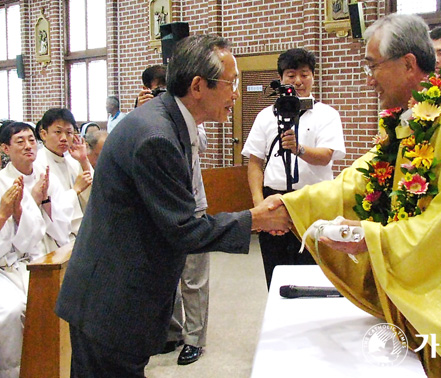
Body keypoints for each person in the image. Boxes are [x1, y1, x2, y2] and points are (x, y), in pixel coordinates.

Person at [275, 14, 441, 377]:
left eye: (373, 66)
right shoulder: (414, 117)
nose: (368, 79)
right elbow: (361, 180)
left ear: (408, 63)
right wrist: (290, 205)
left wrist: (373, 237)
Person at [55, 34, 291, 377]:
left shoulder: (166, 120)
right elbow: (182, 229)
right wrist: (256, 218)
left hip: (118, 295)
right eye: (231, 83)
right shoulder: (157, 137)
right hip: (111, 301)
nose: (236, 94)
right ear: (198, 86)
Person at [241, 48, 346, 287]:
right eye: (291, 75)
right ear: (281, 79)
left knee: (314, 270)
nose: (298, 81)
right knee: (276, 268)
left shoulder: (327, 115)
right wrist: (259, 204)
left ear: (313, 77)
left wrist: (299, 149)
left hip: (314, 199)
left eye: (304, 74)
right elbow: (255, 162)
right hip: (275, 198)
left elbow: (327, 156)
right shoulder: (266, 116)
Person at [133, 63, 211, 365]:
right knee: (164, 274)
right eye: (156, 89)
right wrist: (142, 112)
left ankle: (195, 339)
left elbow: (200, 144)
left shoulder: (192, 115)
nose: (161, 93)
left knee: (193, 279)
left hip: (192, 203)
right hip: (156, 208)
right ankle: (171, 332)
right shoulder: (143, 118)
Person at [0, 122, 71, 378]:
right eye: (20, 141)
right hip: (11, 261)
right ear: (5, 148)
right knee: (14, 311)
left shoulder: (44, 174)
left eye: (31, 140)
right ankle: (16, 371)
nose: (28, 146)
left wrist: (44, 201)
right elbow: (16, 243)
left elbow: (61, 225)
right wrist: (14, 211)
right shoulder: (2, 183)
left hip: (47, 250)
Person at [35, 108, 93, 238]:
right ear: (44, 134)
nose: (64, 138)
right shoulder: (37, 165)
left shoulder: (73, 161)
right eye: (58, 132)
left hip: (80, 233)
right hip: (54, 237)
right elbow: (49, 209)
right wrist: (75, 190)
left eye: (69, 133)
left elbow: (95, 196)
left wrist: (84, 161)